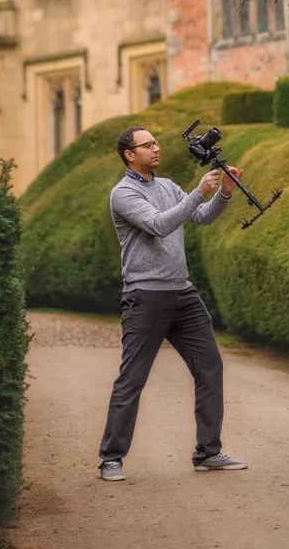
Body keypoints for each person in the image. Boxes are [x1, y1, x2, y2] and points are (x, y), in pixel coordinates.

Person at [98, 124, 248, 481]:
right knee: (132, 379)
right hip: (145, 295)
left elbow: (200, 216)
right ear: (129, 155)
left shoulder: (166, 186)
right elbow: (159, 225)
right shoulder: (123, 194)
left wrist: (223, 194)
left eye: (156, 142)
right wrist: (197, 192)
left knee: (210, 367)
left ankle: (208, 452)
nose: (155, 148)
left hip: (183, 292)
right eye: (146, 145)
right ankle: (111, 459)